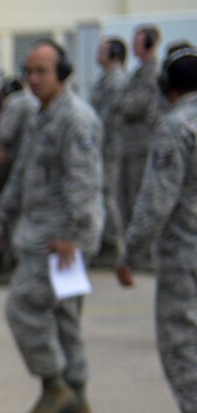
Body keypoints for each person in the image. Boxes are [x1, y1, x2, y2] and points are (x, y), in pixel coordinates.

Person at [0, 40, 104, 413]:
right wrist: (0, 219)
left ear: (63, 73)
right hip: (45, 235)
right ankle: (77, 396)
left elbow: (84, 184)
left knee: (22, 307)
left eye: (42, 71)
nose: (33, 79)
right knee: (64, 316)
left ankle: (55, 387)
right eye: (29, 71)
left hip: (58, 241)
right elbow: (22, 175)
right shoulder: (41, 114)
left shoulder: (75, 119)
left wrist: (72, 236)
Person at [115, 42, 197, 413]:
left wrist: (130, 252)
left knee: (181, 336)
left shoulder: (176, 126)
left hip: (186, 251)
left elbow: (156, 201)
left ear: (167, 87)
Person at [115, 26, 165, 272]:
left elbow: (135, 105)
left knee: (137, 199)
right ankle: (133, 253)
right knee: (125, 199)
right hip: (129, 145)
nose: (133, 47)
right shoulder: (138, 72)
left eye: (137, 42)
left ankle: (144, 255)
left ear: (148, 44)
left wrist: (123, 102)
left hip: (141, 147)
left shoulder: (151, 73)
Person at [0, 81, 37, 281]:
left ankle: (11, 267)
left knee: (8, 221)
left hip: (13, 170)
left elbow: (4, 133)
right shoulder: (34, 104)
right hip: (19, 169)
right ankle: (4, 265)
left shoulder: (17, 103)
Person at [90, 36, 131, 266]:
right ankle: (107, 241)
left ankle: (112, 244)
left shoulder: (116, 81)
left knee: (108, 194)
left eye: (102, 50)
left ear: (113, 54)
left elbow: (104, 118)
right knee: (104, 193)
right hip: (103, 145)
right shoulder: (106, 78)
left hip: (110, 146)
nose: (98, 54)